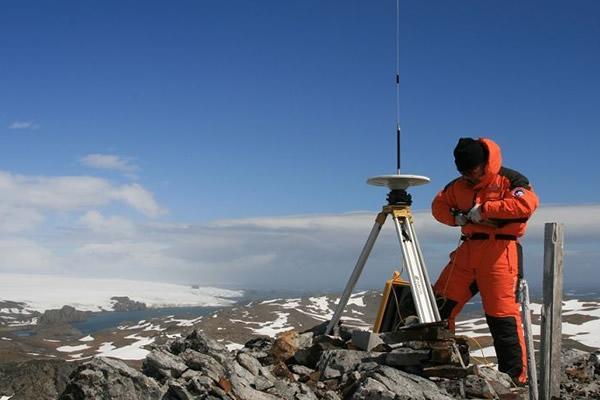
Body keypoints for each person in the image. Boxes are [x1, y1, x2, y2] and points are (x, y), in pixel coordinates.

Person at [431, 137, 539, 384]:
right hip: (468, 250)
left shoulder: (510, 179)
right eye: (463, 171)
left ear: (484, 163)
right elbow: (438, 206)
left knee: (502, 317)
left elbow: (525, 204)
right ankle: (443, 363)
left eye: (472, 170)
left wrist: (486, 210)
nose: (468, 175)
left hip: (500, 253)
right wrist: (457, 218)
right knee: (438, 306)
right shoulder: (457, 186)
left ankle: (514, 380)